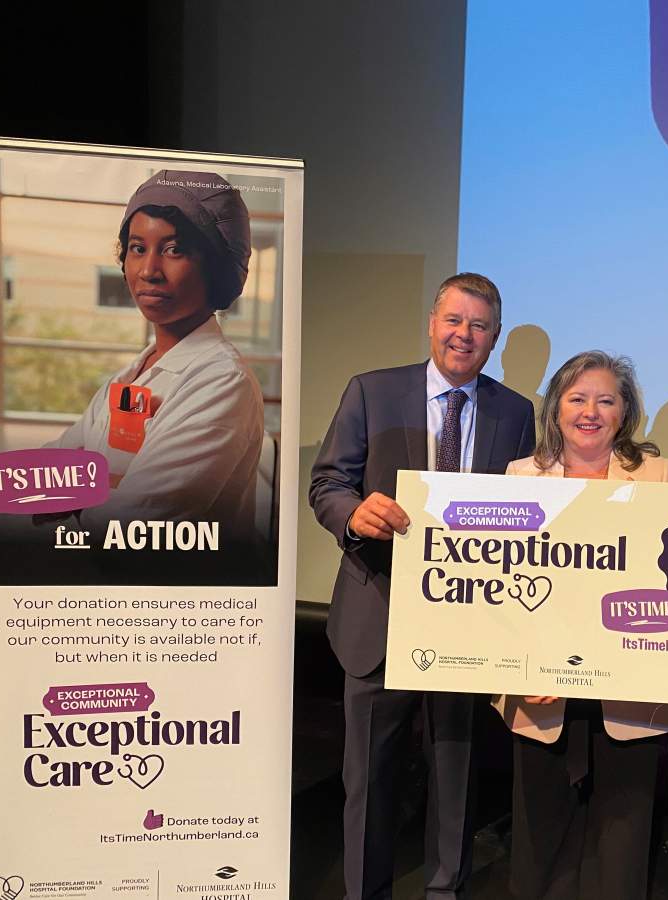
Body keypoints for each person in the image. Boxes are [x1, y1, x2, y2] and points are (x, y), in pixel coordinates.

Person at [309, 273, 535, 900]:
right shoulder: (371, 391)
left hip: (466, 623)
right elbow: (327, 484)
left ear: (495, 338)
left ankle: (445, 892)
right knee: (370, 780)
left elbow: (530, 512)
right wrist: (353, 516)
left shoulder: (516, 413)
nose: (464, 335)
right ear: (432, 322)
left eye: (480, 326)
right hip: (376, 612)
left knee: (456, 777)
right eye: (454, 321)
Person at [494, 350, 668, 900]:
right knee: (541, 841)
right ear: (556, 409)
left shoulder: (658, 474)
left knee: (622, 844)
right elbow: (497, 589)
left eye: (606, 400)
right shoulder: (520, 475)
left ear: (624, 412)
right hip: (539, 687)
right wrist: (516, 668)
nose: (591, 412)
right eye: (578, 399)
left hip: (630, 693)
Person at [49, 170, 263, 545]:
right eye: (137, 248)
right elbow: (42, 477)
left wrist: (88, 484)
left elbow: (130, 526)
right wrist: (114, 483)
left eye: (174, 249)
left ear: (216, 265)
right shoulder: (128, 376)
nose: (148, 271)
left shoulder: (223, 383)